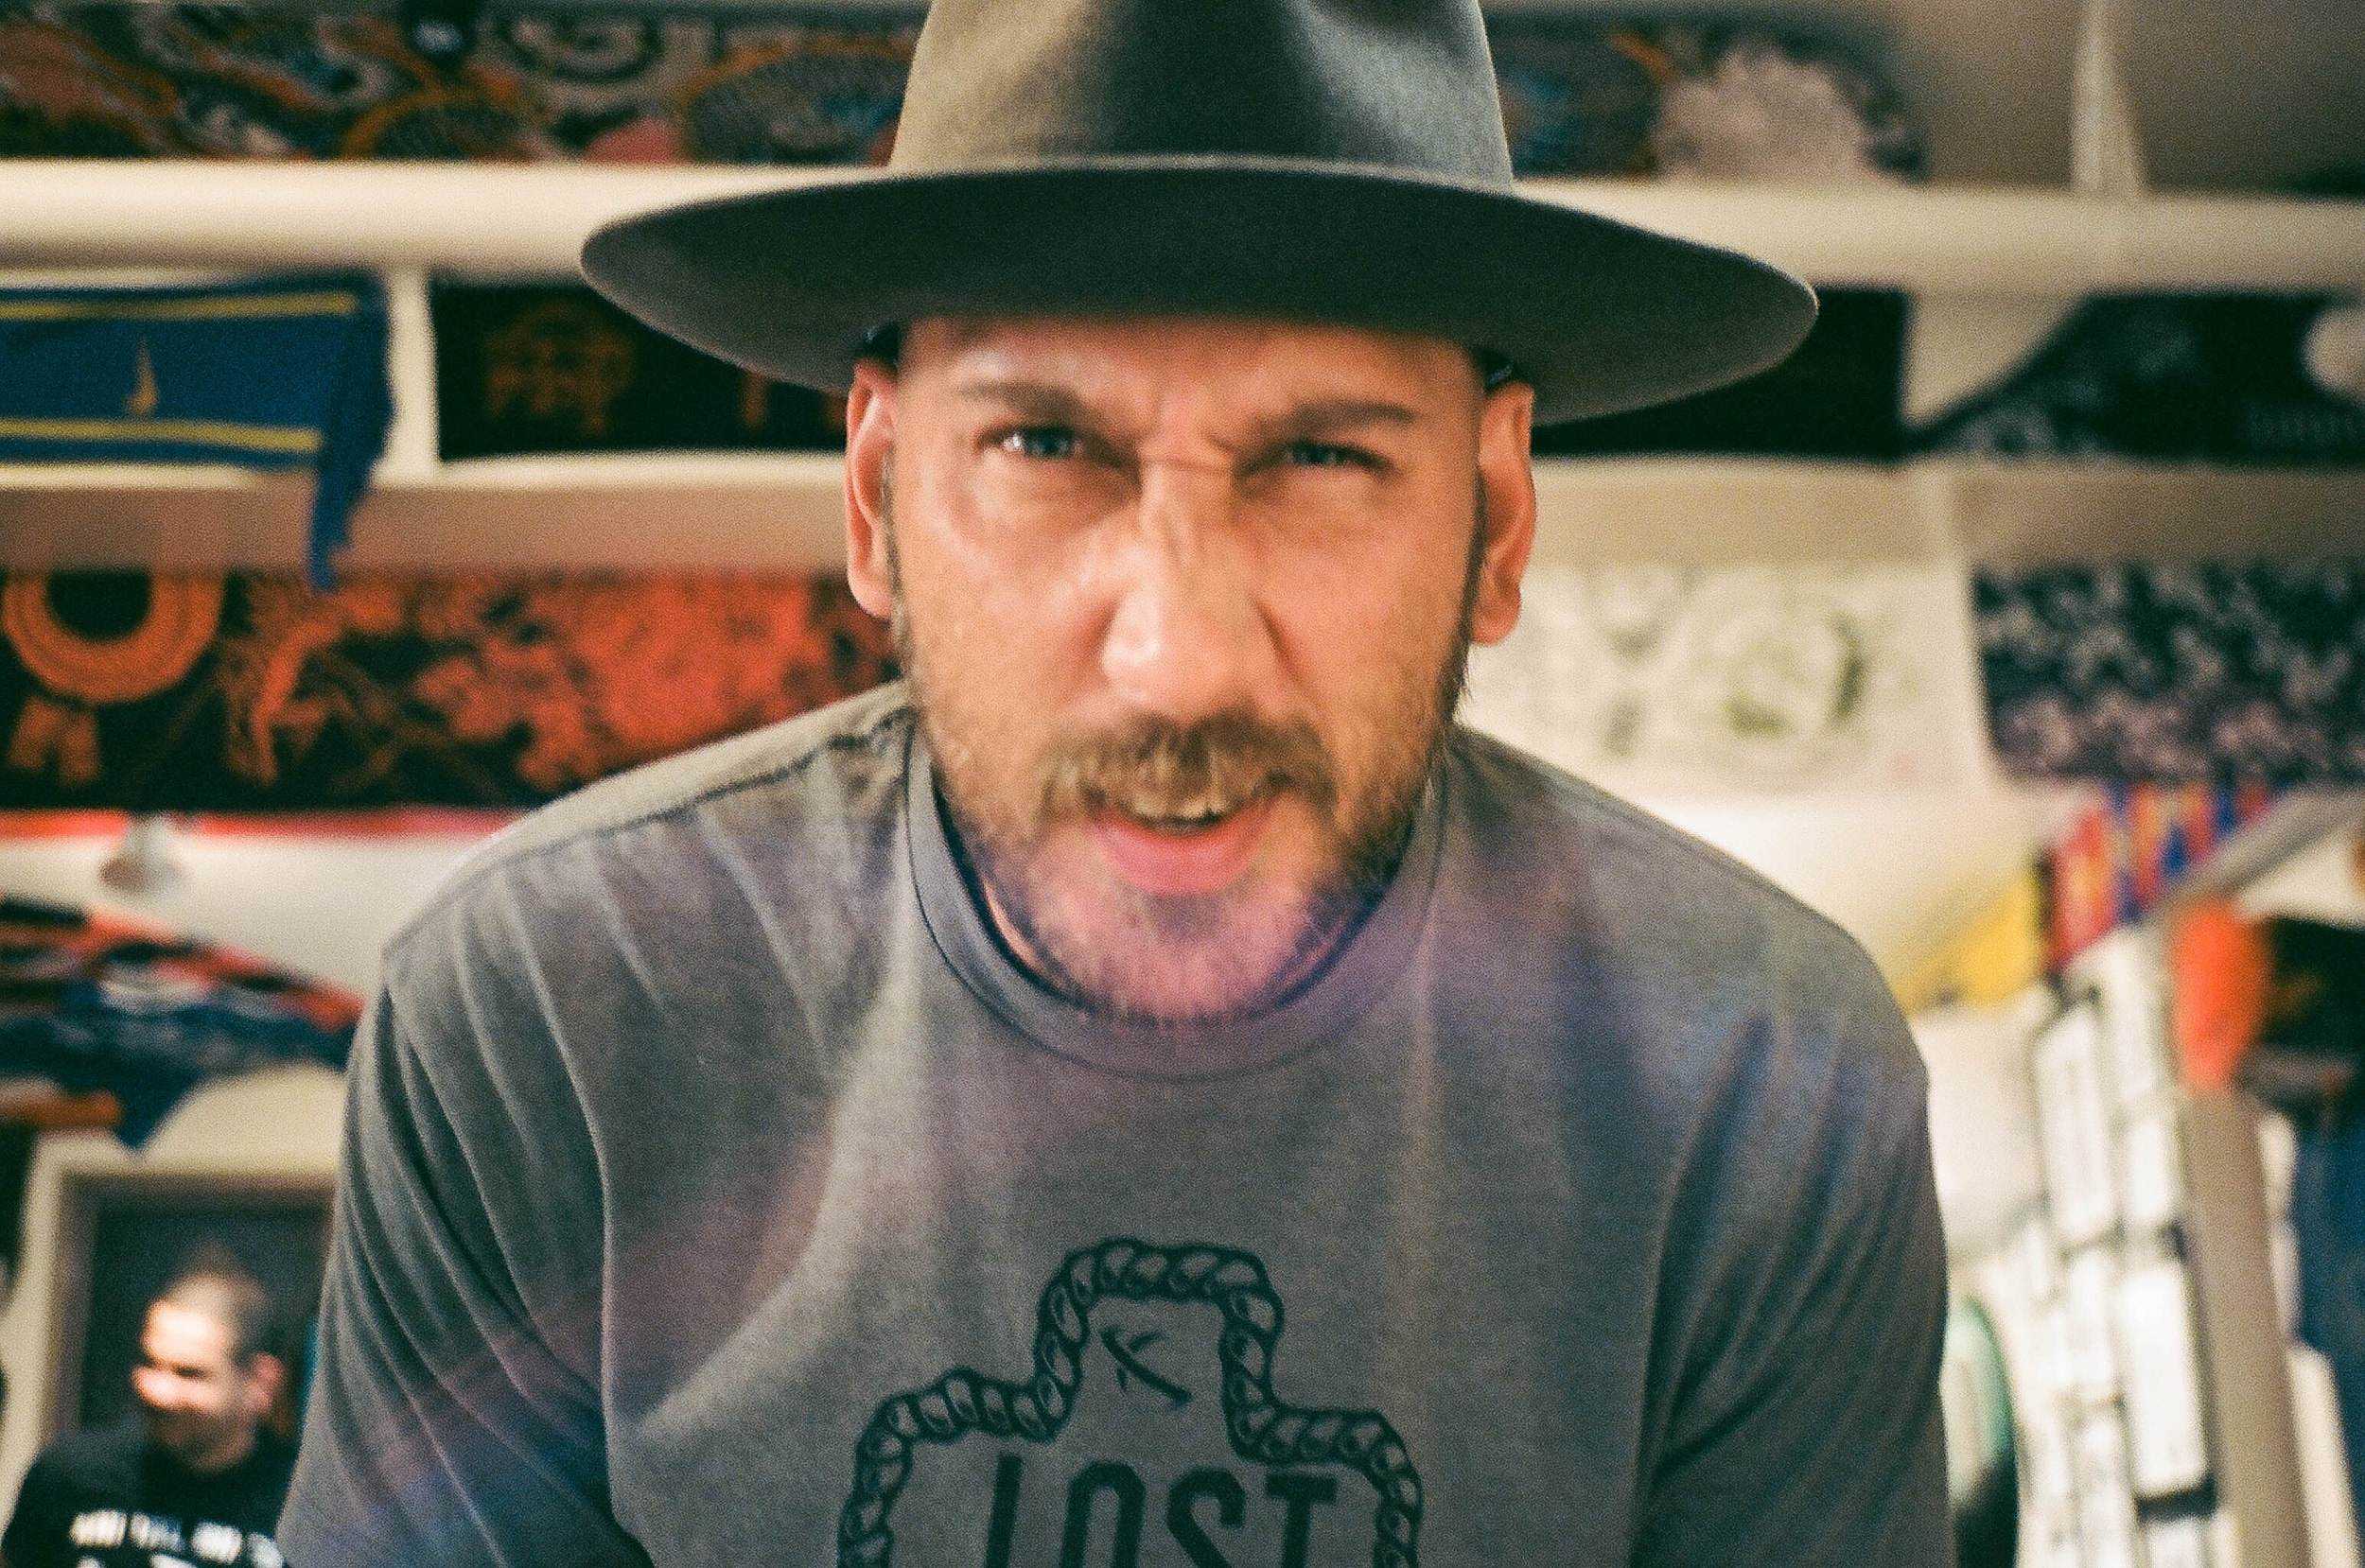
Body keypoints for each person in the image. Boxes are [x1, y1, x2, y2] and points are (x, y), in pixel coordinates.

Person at [282, 1, 1953, 1563]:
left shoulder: (1754, 1075)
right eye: (1045, 447)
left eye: (1320, 458)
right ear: (875, 498)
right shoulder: (550, 1017)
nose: (1178, 661)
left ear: (1497, 521)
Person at [4, 1263, 293, 1568]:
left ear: (260, 1382)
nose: (158, 1392)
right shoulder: (70, 1474)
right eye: (150, 1363)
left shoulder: (298, 1505)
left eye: (189, 1374)